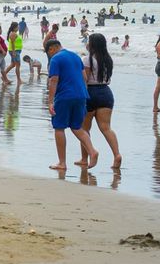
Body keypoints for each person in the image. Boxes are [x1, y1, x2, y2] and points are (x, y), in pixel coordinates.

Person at [44, 39, 99, 171]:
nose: (49, 55)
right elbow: (84, 77)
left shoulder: (56, 59)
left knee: (59, 127)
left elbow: (54, 80)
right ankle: (92, 151)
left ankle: (62, 163)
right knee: (77, 127)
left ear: (52, 48)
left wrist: (50, 101)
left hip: (64, 96)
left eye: (48, 52)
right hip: (81, 95)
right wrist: (83, 94)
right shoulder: (75, 56)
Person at [80, 33, 121, 170]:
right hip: (106, 92)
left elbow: (84, 80)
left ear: (92, 44)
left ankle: (85, 158)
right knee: (106, 128)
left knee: (85, 129)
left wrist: (82, 96)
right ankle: (116, 155)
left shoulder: (87, 59)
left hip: (91, 92)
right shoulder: (108, 60)